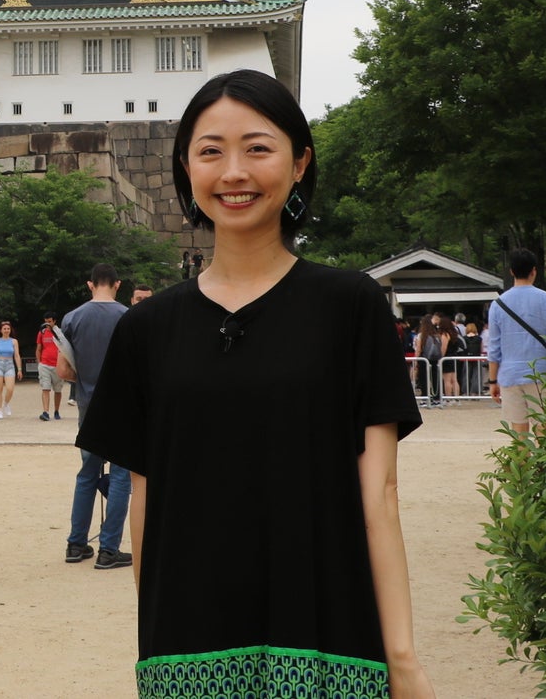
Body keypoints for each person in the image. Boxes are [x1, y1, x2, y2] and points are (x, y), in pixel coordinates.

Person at [78, 69, 436, 697]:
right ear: (186, 168)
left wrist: (402, 660)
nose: (233, 172)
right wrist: (156, 653)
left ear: (300, 164)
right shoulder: (148, 329)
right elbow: (145, 502)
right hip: (189, 652)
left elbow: (379, 494)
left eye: (258, 148)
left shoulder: (349, 306)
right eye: (210, 151)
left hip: (326, 639)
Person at [61, 265, 132, 570]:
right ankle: (108, 549)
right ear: (117, 284)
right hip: (122, 407)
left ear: (90, 284)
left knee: (87, 474)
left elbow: (63, 371)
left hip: (87, 406)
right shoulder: (128, 317)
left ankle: (76, 544)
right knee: (119, 476)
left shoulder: (72, 318)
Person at [486, 249, 546, 437]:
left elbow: (494, 348)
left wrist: (492, 381)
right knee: (544, 429)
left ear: (511, 271)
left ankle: (522, 465)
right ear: (534, 271)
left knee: (519, 433)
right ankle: (544, 466)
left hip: (510, 375)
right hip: (542, 373)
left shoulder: (498, 304)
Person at [0, 320, 22, 419]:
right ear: (1, 330)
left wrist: (19, 369)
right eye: (5, 329)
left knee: (10, 388)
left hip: (10, 365)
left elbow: (16, 355)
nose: (6, 330)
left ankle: (6, 403)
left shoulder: (14, 341)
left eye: (8, 329)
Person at [36, 316, 64, 422]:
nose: (47, 323)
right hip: (45, 365)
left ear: (54, 321)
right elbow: (39, 348)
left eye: (49, 321)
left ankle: (56, 411)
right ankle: (46, 412)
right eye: (46, 321)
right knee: (45, 388)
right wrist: (39, 362)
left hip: (58, 365)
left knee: (58, 390)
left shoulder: (60, 333)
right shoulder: (41, 333)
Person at [414, 315, 444, 407]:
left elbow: (418, 349)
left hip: (424, 359)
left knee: (424, 379)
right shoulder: (437, 335)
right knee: (435, 378)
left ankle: (425, 398)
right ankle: (436, 398)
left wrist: (415, 360)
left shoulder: (421, 335)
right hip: (435, 359)